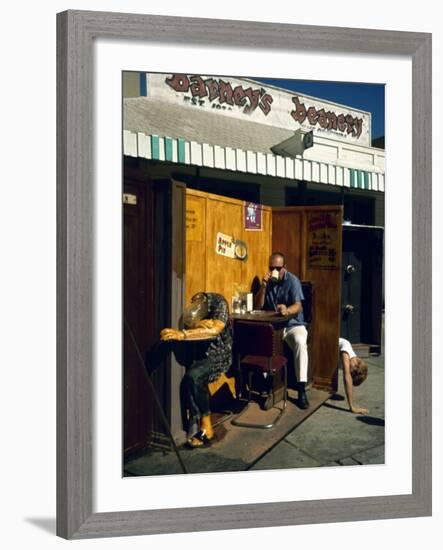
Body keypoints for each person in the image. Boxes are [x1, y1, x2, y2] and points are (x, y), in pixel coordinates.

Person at [158, 292, 232, 448]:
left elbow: (214, 330)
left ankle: (206, 424)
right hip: (200, 352)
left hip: (219, 353)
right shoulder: (197, 304)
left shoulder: (220, 303)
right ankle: (195, 419)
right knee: (192, 378)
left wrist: (182, 334)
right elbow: (192, 322)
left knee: (194, 376)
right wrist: (199, 324)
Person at [254, 252, 309, 409]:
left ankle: (301, 389)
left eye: (278, 268)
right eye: (272, 267)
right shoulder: (269, 281)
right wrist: (263, 288)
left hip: (292, 324)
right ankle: (268, 385)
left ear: (285, 267)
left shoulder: (292, 281)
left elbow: (299, 306)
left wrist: (287, 310)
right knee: (259, 338)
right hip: (274, 326)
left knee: (300, 342)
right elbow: (258, 307)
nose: (274, 271)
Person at [338, 337, 369, 414]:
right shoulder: (346, 351)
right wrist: (352, 406)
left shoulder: (351, 357)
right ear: (355, 367)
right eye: (351, 374)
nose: (349, 371)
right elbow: (347, 377)